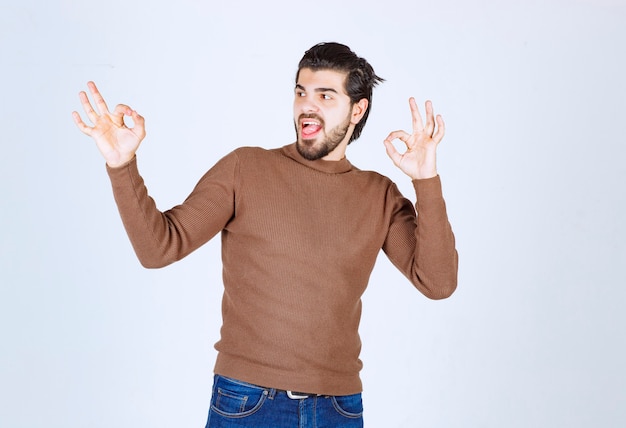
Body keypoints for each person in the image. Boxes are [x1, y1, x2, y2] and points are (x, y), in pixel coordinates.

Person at [73, 42, 458, 428]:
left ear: (357, 109)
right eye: (301, 92)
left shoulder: (379, 194)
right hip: (248, 402)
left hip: (339, 408)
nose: (308, 105)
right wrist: (122, 165)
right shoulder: (246, 168)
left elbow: (438, 282)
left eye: (325, 95)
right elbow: (159, 248)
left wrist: (426, 180)